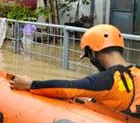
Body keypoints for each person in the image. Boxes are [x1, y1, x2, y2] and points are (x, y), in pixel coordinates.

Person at [10, 24, 139, 117]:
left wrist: (30, 84)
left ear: (92, 51)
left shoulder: (108, 80)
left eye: (88, 55)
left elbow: (68, 88)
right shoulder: (137, 71)